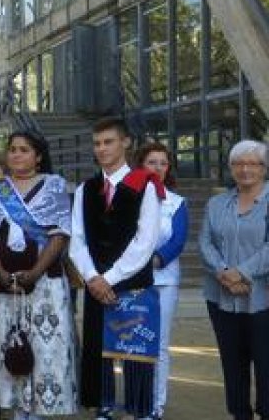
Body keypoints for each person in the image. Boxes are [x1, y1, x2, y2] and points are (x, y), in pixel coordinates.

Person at [69, 117, 162, 420]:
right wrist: (93, 278)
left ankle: (140, 409)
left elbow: (144, 241)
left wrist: (107, 278)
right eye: (97, 143)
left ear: (125, 143)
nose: (102, 148)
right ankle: (104, 404)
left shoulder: (144, 184)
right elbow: (77, 240)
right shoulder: (86, 189)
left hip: (131, 281)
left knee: (136, 351)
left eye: (108, 141)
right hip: (96, 283)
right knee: (98, 349)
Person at [0, 131, 78, 418]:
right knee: (10, 346)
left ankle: (37, 413)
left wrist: (34, 273)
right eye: (12, 149)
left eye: (24, 150)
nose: (16, 155)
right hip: (5, 285)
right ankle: (16, 412)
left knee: (43, 347)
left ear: (38, 156)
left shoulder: (54, 185)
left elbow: (59, 234)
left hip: (44, 283)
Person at [199, 140, 269, 420]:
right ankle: (239, 414)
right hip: (222, 298)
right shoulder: (216, 203)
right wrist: (224, 273)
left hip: (263, 298)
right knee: (232, 363)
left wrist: (241, 273)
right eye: (239, 163)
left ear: (264, 169)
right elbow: (205, 243)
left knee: (266, 365)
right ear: (230, 168)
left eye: (253, 163)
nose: (245, 169)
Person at [136, 142, 188, 420]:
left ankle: (156, 405)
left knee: (159, 344)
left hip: (163, 281)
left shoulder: (177, 202)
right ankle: (137, 402)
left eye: (163, 163)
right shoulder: (128, 197)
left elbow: (177, 241)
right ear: (140, 165)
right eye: (151, 162)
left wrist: (152, 261)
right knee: (133, 342)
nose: (157, 168)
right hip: (132, 281)